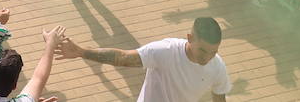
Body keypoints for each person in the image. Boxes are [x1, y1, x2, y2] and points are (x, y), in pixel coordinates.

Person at [54, 16, 231, 102]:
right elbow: (122, 58)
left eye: (213, 52)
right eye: (203, 50)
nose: (207, 57)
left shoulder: (218, 67)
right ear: (190, 38)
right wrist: (82, 52)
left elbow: (219, 98)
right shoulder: (165, 51)